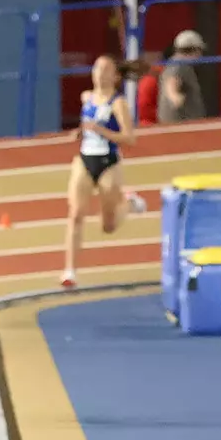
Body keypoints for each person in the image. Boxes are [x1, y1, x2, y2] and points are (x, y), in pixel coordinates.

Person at [63, 54, 137, 288]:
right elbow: (87, 125)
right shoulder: (86, 97)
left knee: (108, 226)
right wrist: (81, 132)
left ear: (115, 76)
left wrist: (100, 130)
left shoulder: (118, 103)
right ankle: (69, 272)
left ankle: (130, 204)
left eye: (106, 69)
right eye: (97, 68)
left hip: (108, 162)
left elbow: (129, 138)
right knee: (75, 214)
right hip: (85, 159)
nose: (99, 73)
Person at [158, 30, 207, 124]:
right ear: (193, 50)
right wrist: (174, 96)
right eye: (199, 51)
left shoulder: (174, 63)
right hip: (182, 123)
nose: (200, 55)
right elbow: (172, 81)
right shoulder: (180, 65)